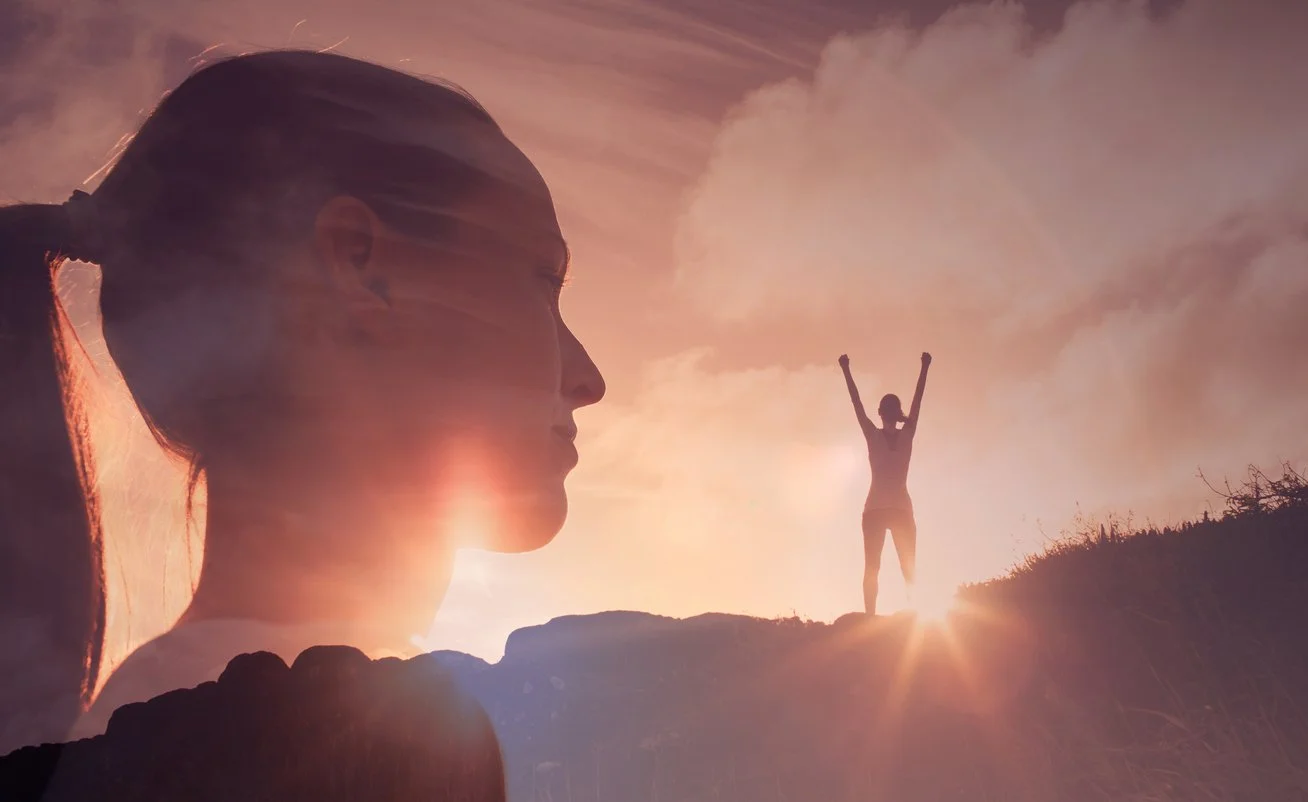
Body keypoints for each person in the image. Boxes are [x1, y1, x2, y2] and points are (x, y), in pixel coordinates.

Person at [0, 49, 605, 753]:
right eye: (541, 280)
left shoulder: (182, 724)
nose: (588, 378)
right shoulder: (344, 742)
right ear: (360, 267)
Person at [838, 352, 931, 616]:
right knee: (878, 567)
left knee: (901, 566)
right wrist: (845, 370)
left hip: (890, 510)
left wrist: (925, 368)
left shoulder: (899, 434)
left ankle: (908, 614)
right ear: (886, 413)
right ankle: (872, 616)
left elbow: (917, 400)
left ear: (883, 413)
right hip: (882, 511)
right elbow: (856, 404)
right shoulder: (881, 435)